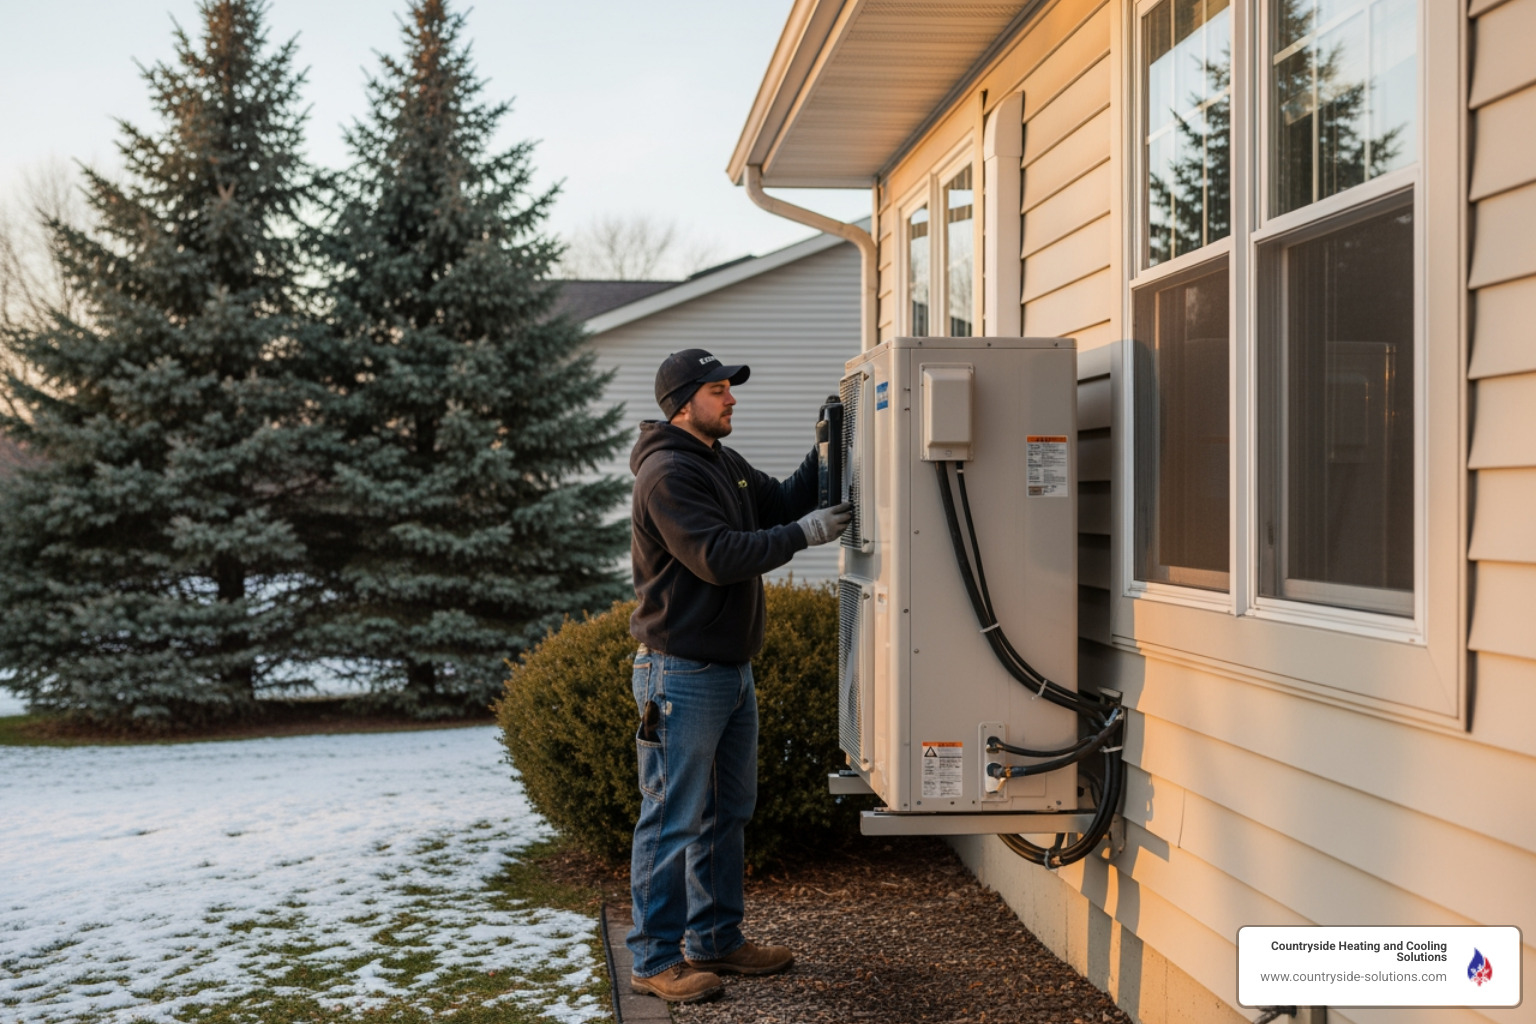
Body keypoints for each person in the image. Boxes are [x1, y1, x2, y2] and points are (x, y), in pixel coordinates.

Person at [626, 348, 851, 1004]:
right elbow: (717, 556)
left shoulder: (718, 462)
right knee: (672, 817)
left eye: (730, 389)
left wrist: (830, 440)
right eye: (719, 390)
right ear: (683, 403)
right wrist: (807, 534)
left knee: (726, 812)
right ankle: (653, 959)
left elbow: (779, 500)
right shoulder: (668, 473)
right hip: (680, 674)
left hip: (726, 670)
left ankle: (717, 940)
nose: (731, 400)